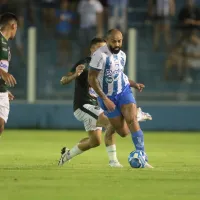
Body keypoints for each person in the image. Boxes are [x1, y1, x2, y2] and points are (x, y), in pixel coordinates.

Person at [58, 37, 152, 167]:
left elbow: (121, 79)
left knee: (95, 141)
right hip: (84, 105)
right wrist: (75, 75)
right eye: (100, 48)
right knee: (113, 122)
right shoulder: (85, 64)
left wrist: (134, 84)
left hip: (97, 106)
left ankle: (67, 155)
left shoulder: (109, 63)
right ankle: (113, 161)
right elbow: (63, 80)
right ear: (92, 50)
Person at [88, 29, 153, 168]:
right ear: (107, 41)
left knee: (132, 121)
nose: (117, 44)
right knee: (123, 132)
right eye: (114, 41)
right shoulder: (99, 56)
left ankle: (143, 157)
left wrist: (134, 84)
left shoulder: (122, 55)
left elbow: (120, 76)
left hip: (123, 92)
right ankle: (138, 115)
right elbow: (91, 79)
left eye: (120, 41)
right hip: (107, 97)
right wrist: (105, 99)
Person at [0, 12, 18, 135]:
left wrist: (5, 89)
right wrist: (3, 73)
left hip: (1, 90)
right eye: (16, 27)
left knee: (0, 125)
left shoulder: (6, 44)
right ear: (13, 26)